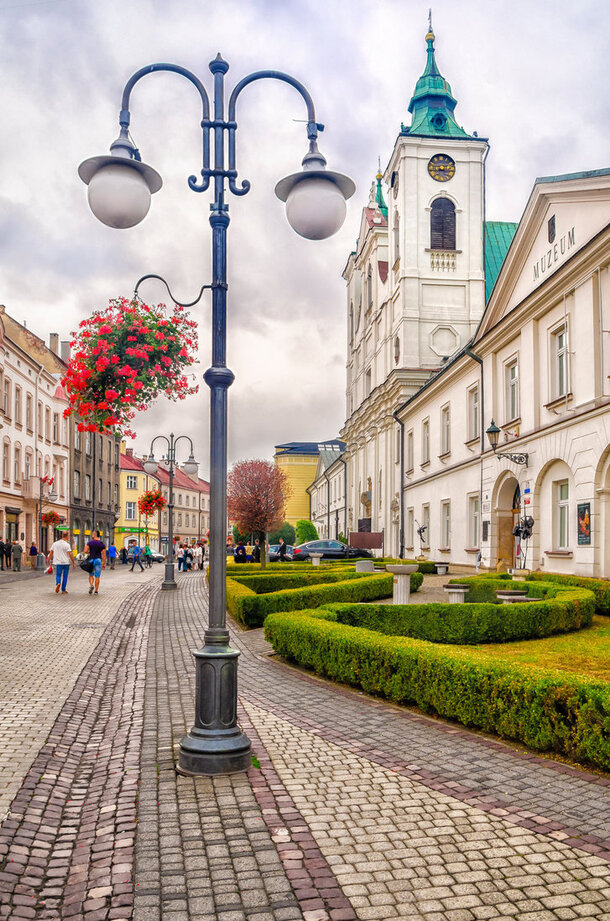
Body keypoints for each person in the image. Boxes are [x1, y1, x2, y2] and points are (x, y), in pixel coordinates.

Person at [85, 530, 106, 595]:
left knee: (91, 574)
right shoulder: (102, 544)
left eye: (92, 534)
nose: (92, 535)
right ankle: (96, 591)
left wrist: (90, 552)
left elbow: (85, 550)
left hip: (91, 560)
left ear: (94, 534)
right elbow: (104, 555)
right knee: (97, 576)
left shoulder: (90, 543)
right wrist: (104, 563)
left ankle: (91, 585)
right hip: (98, 560)